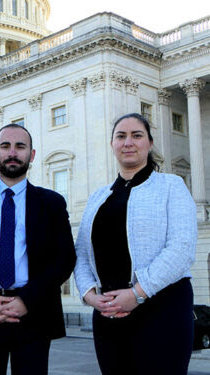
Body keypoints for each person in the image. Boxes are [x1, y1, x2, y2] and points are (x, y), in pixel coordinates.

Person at [74, 113, 197, 375]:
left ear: (150, 143)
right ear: (112, 144)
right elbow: (82, 254)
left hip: (162, 310)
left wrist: (137, 293)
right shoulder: (98, 197)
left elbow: (181, 249)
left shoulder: (171, 186)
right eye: (121, 136)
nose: (128, 142)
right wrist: (89, 296)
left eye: (136, 135)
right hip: (108, 313)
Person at [0, 124, 76, 375]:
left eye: (20, 146)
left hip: (34, 313)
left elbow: (64, 259)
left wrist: (26, 300)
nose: (12, 153)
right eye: (5, 146)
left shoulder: (52, 203)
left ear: (32, 154)